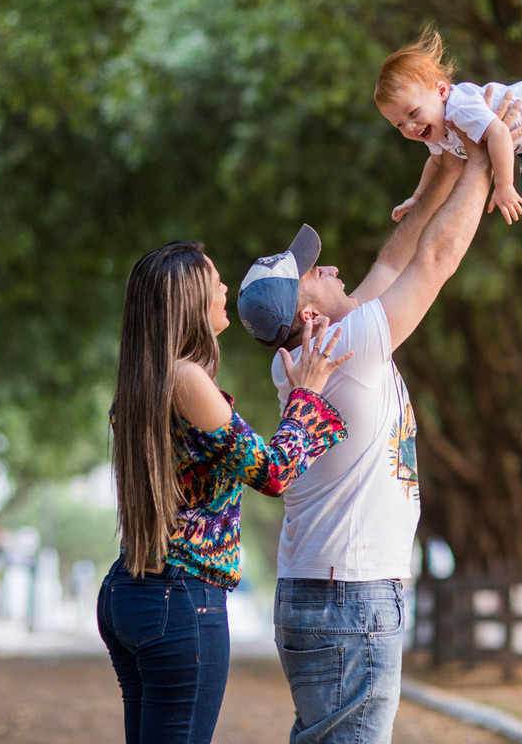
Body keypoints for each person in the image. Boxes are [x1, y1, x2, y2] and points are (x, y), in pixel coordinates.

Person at [236, 100, 521, 741]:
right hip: (352, 599)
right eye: (315, 272)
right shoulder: (349, 345)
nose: (331, 266)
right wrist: (483, 152)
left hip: (321, 589)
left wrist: (443, 165)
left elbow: (395, 258)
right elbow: (436, 260)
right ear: (310, 313)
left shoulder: (307, 357)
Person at [97, 239, 353, 744]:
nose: (225, 289)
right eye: (215, 280)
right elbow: (272, 472)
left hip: (132, 590)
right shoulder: (187, 380)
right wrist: (307, 395)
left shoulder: (143, 381)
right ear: (190, 299)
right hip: (180, 595)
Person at [375, 27, 522, 304]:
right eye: (399, 124)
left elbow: (499, 133)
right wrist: (416, 198)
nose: (411, 127)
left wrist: (504, 185)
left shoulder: (458, 107)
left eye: (413, 113)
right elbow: (436, 164)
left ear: (441, 91)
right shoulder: (436, 130)